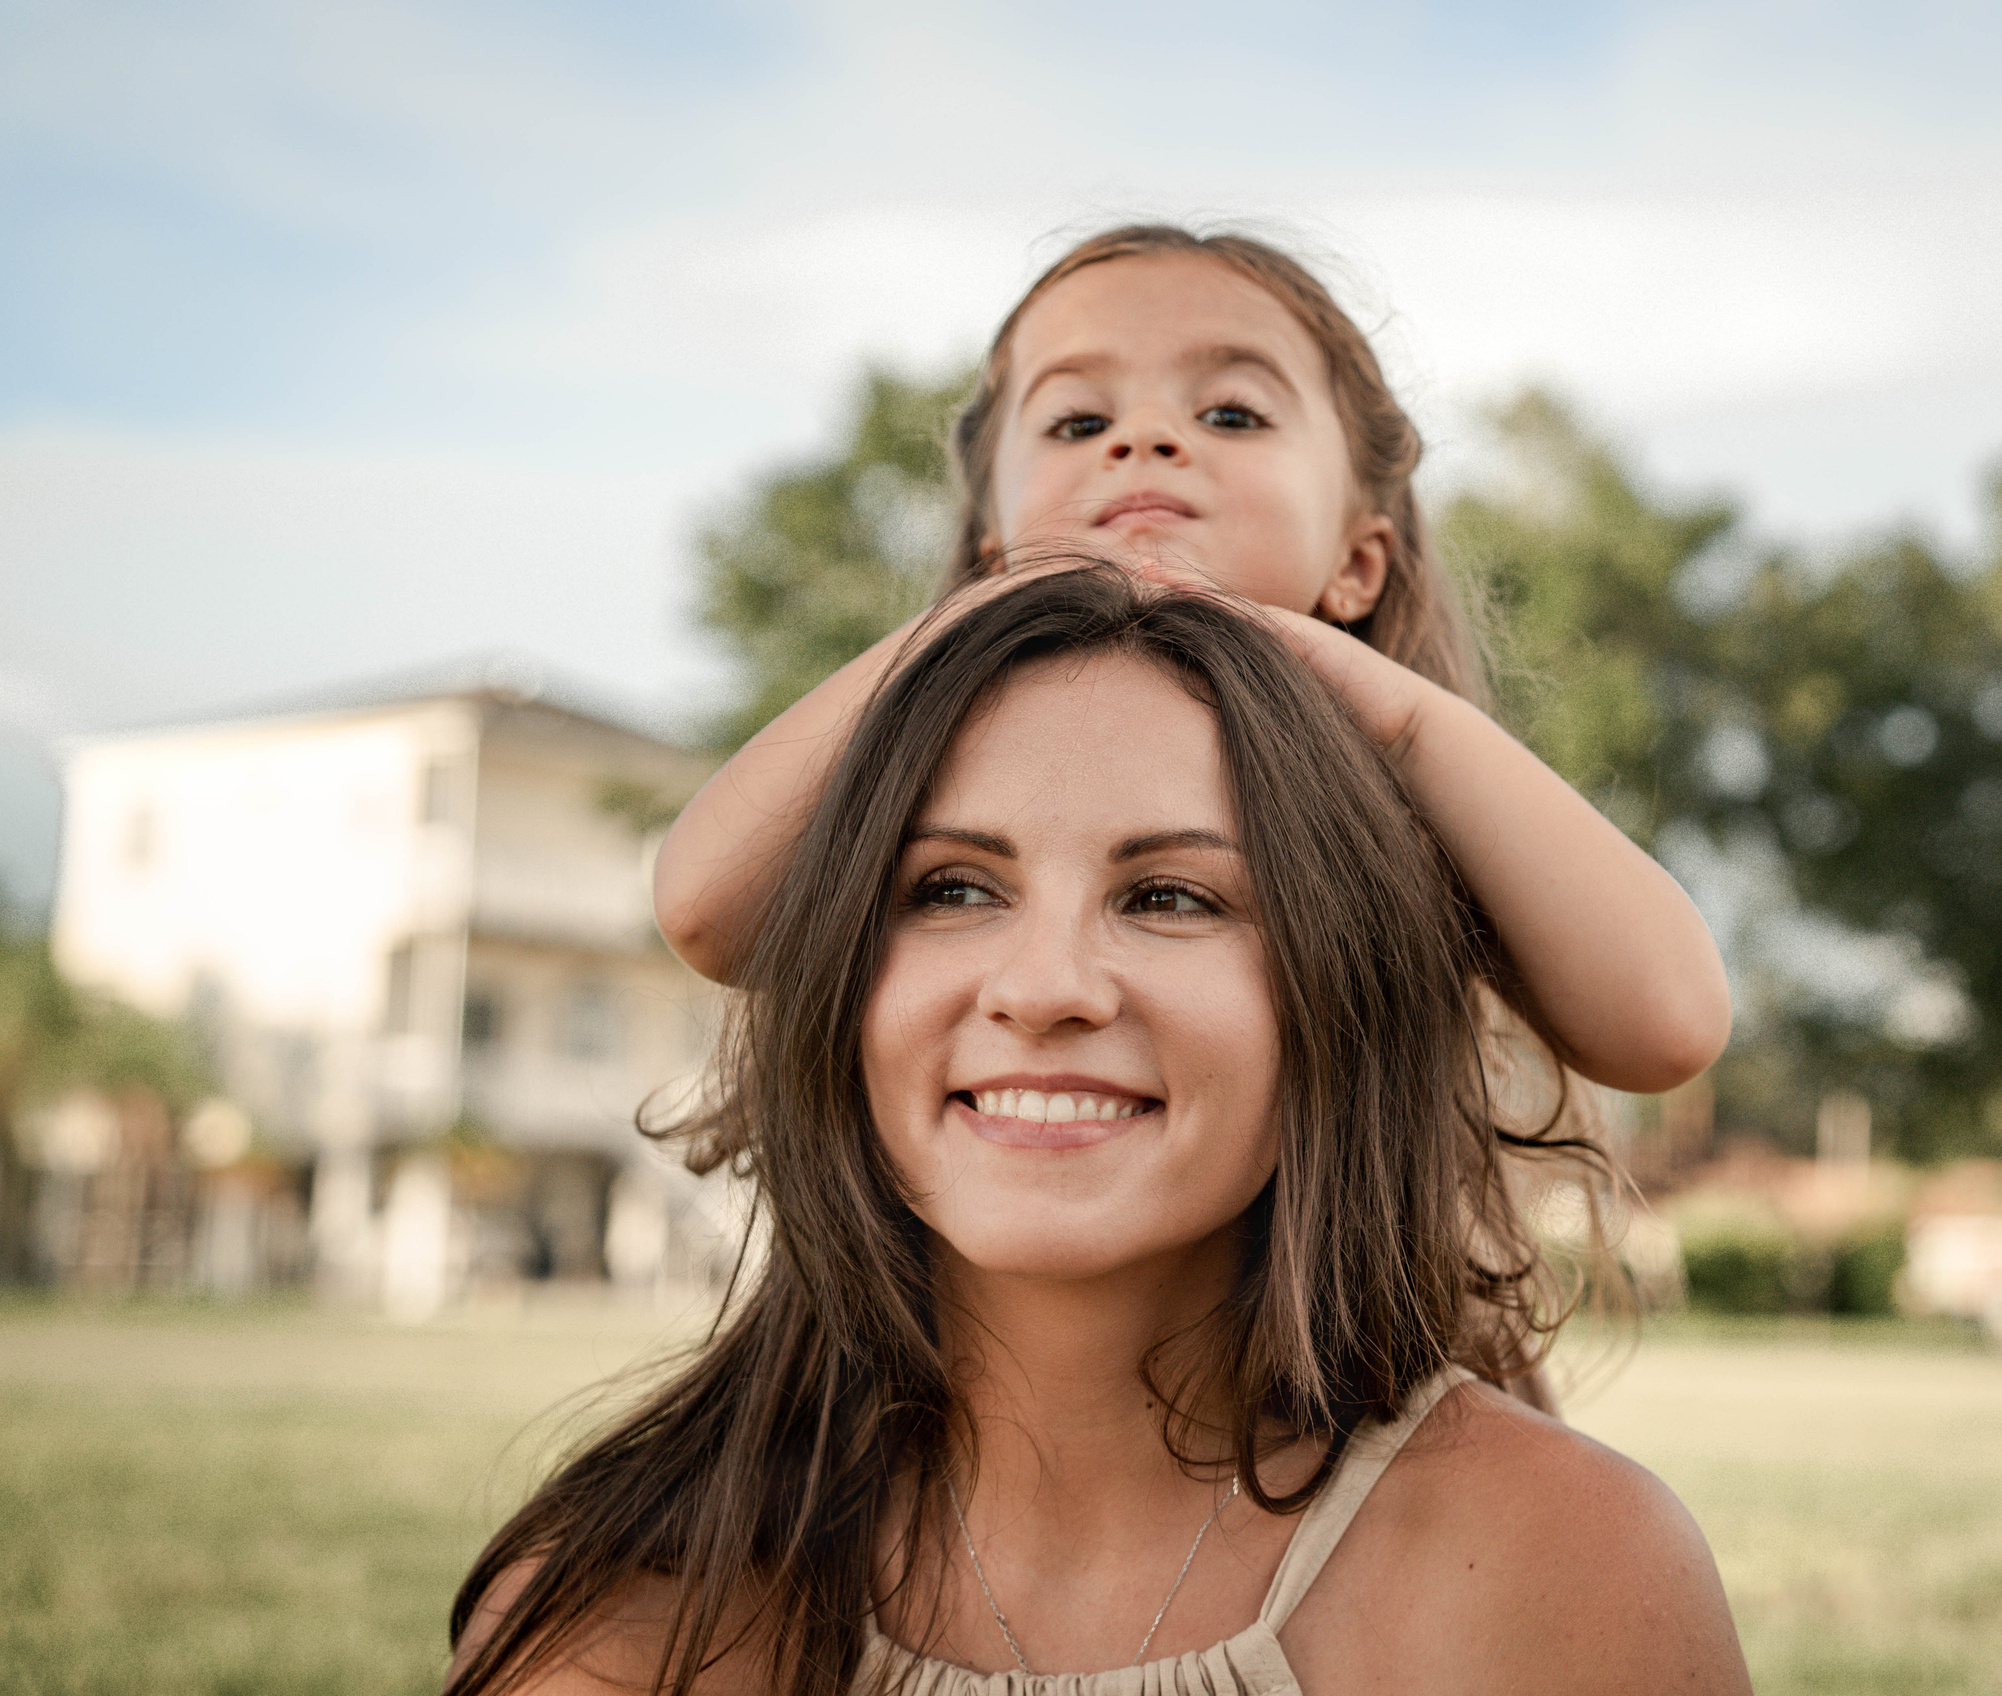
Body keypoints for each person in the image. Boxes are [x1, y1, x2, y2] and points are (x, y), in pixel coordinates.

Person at [446, 568, 1752, 1696]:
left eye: (1171, 895)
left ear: (1339, 997)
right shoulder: (616, 1608)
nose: (1045, 986)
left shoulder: (1572, 1574)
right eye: (953, 888)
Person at [651, 225, 1731, 1103]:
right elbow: (708, 912)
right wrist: (969, 620)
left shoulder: (1394, 775)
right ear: (990, 544)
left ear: (1357, 562)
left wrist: (1404, 720)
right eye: (1078, 420)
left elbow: (1667, 1028)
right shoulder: (948, 740)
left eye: (1229, 413)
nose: (1144, 438)